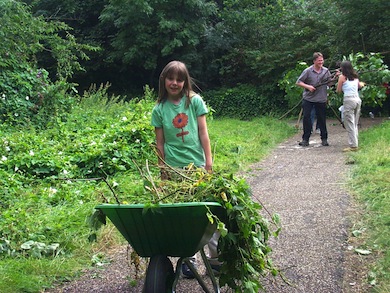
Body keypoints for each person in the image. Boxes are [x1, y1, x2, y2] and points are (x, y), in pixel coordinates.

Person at [151, 60, 220, 278]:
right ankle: (189, 262)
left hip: (197, 166)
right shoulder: (159, 109)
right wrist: (163, 169)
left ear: (185, 81)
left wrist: (208, 161)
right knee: (183, 217)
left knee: (206, 213)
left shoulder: (194, 102)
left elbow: (203, 133)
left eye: (179, 79)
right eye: (171, 78)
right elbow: (159, 143)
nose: (175, 83)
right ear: (164, 80)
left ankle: (215, 258)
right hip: (174, 169)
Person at [296, 52, 334, 146]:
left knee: (322, 119)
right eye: (319, 61)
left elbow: (329, 84)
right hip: (308, 99)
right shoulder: (308, 71)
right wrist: (308, 87)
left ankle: (324, 139)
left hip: (321, 99)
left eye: (322, 60)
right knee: (307, 118)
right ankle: (305, 139)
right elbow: (298, 82)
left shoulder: (326, 71)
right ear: (314, 61)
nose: (321, 62)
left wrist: (334, 78)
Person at [336, 61, 364, 152]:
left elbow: (338, 90)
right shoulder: (355, 77)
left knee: (349, 123)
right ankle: (355, 142)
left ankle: (353, 146)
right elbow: (359, 86)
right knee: (355, 123)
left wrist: (338, 80)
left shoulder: (342, 77)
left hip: (348, 100)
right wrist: (363, 84)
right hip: (357, 99)